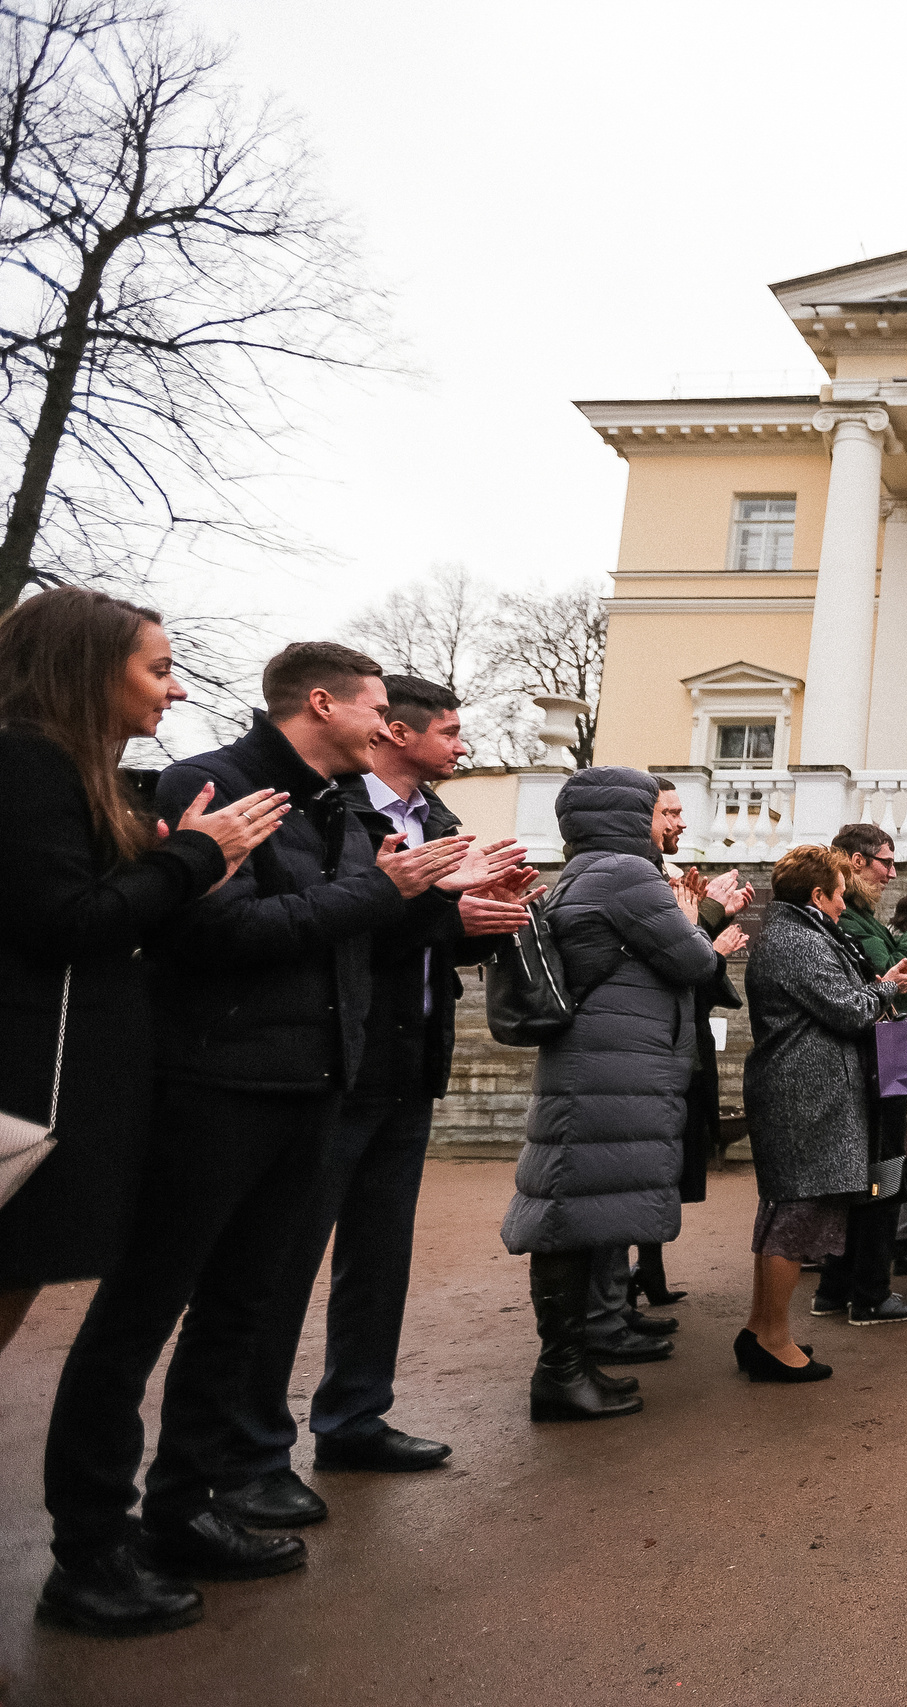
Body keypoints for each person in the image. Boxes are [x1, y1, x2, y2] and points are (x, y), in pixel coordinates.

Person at [42, 641, 486, 1626]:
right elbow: (222, 937)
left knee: (239, 1310)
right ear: (321, 704)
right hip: (213, 1085)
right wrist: (390, 890)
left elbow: (348, 939)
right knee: (138, 1318)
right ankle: (90, 1546)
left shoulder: (333, 803)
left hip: (310, 1083)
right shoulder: (217, 783)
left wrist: (439, 909)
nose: (387, 727)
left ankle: (187, 1507)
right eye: (377, 709)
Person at [223, 676, 531, 1500]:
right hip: (339, 1058)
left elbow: (428, 941)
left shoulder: (440, 823)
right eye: (454, 731)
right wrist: (442, 919)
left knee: (379, 1255)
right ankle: (252, 1445)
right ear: (396, 731)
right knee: (284, 1260)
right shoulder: (333, 812)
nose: (463, 746)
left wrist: (480, 924)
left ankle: (355, 1418)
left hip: (407, 1061)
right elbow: (338, 930)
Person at [0, 592, 287, 1374]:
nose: (178, 688)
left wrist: (177, 868)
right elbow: (68, 922)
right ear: (89, 669)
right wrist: (193, 857)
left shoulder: (68, 768)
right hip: (29, 1095)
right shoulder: (27, 759)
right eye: (159, 669)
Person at [499, 767, 722, 1423]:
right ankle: (561, 1372)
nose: (669, 823)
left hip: (600, 1062)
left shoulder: (585, 871)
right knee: (568, 1218)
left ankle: (577, 1360)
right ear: (627, 815)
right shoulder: (626, 874)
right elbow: (694, 961)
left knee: (579, 1211)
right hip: (607, 1066)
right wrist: (692, 921)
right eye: (658, 811)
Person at [736, 845, 907, 1384]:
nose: (844, 905)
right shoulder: (799, 939)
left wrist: (880, 987)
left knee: (783, 1214)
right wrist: (887, 988)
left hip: (806, 1091)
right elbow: (848, 1009)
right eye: (840, 895)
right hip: (807, 1096)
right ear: (818, 895)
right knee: (796, 1217)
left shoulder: (796, 932)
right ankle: (772, 1338)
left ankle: (761, 1330)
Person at [811, 822, 907, 1326]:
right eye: (886, 860)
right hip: (883, 1054)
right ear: (856, 862)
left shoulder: (862, 917)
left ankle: (836, 1289)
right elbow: (894, 977)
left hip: (890, 1052)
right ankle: (869, 1293)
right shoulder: (853, 923)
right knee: (883, 1175)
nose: (892, 871)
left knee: (871, 1176)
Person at [641, 780, 749, 1310]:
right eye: (671, 812)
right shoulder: (635, 882)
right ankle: (628, 1287)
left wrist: (713, 922)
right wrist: (708, 924)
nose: (682, 822)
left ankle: (649, 1274)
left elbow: (692, 972)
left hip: (682, 1050)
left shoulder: (662, 879)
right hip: (655, 1057)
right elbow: (675, 963)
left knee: (664, 1170)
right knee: (643, 1173)